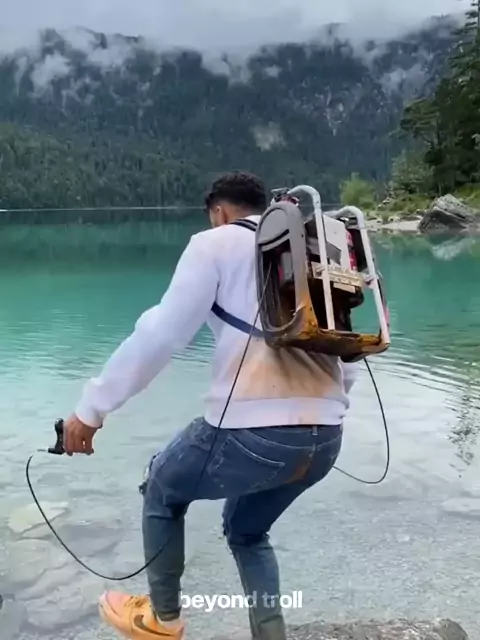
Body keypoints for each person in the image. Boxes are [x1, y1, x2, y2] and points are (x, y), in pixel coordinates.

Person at [63, 172, 357, 640]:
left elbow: (162, 336)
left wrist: (91, 410)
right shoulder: (306, 250)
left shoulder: (213, 244)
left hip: (251, 434)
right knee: (247, 531)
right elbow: (345, 349)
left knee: (162, 486)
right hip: (326, 439)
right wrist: (320, 414)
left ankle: (162, 620)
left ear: (218, 212)